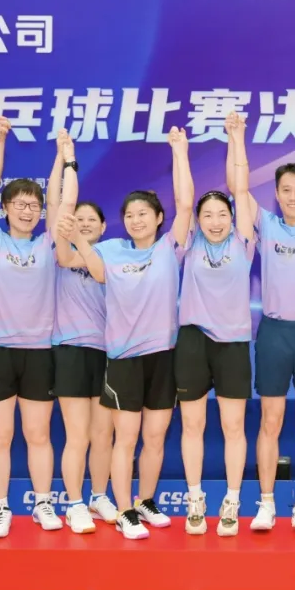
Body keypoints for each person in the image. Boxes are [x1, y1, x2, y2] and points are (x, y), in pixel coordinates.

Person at [61, 126, 192, 540]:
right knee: (126, 438)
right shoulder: (110, 251)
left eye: (143, 214)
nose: (136, 220)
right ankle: (123, 510)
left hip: (163, 356)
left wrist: (179, 152)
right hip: (123, 359)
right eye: (130, 215)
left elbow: (186, 203)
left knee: (155, 436)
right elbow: (90, 269)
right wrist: (78, 237)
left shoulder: (170, 248)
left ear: (158, 219)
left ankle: (145, 500)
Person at [228, 127, 295, 534]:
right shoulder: (266, 225)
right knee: (270, 421)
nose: (293, 197)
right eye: (286, 190)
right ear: (276, 194)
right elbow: (239, 189)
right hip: (274, 333)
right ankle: (267, 502)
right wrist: (237, 138)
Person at [0, 116, 63, 539]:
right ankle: (1, 507)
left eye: (34, 206)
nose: (27, 211)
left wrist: (63, 158)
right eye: (19, 205)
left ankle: (43, 503)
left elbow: (60, 198)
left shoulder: (49, 242)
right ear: (5, 209)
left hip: (39, 351)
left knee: (38, 433)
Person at [176, 111, 255, 537]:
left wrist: (236, 138)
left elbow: (240, 188)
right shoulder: (188, 244)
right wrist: (180, 153)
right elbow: (183, 200)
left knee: (233, 426)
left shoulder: (244, 241)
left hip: (233, 345)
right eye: (207, 215)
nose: (215, 221)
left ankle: (232, 500)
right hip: (192, 341)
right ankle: (195, 499)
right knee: (192, 425)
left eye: (221, 214)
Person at [50, 129, 118, 534]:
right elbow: (61, 206)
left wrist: (81, 237)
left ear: (104, 227)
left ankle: (99, 495)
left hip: (107, 352)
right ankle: (74, 502)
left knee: (103, 434)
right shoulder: (62, 251)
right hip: (72, 350)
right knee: (77, 435)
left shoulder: (113, 255)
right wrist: (67, 160)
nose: (85, 224)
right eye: (79, 219)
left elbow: (101, 272)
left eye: (92, 220)